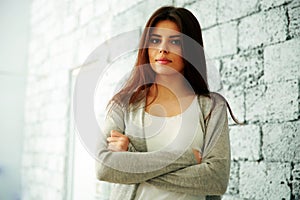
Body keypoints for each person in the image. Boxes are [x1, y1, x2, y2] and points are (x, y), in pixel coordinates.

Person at [96, 6, 238, 200]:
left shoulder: (212, 107)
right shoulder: (123, 104)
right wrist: (186, 159)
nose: (163, 48)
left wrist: (132, 161)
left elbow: (216, 179)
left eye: (175, 41)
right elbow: (105, 168)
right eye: (155, 40)